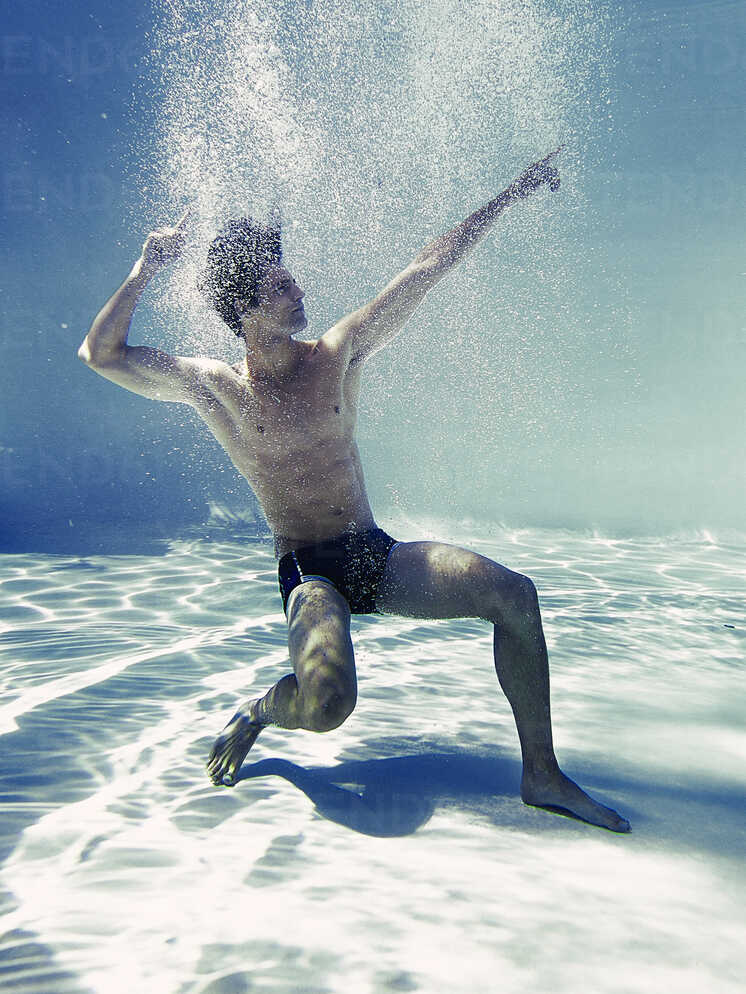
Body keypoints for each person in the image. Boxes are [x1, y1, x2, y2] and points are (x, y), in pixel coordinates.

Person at [78, 148, 630, 832]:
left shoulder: (338, 354)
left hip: (374, 552)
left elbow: (427, 268)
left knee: (515, 596)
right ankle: (258, 710)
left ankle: (542, 774)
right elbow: (99, 355)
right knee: (328, 704)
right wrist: (146, 268)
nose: (301, 291)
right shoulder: (214, 388)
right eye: (282, 287)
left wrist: (509, 194)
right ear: (248, 309)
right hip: (311, 573)